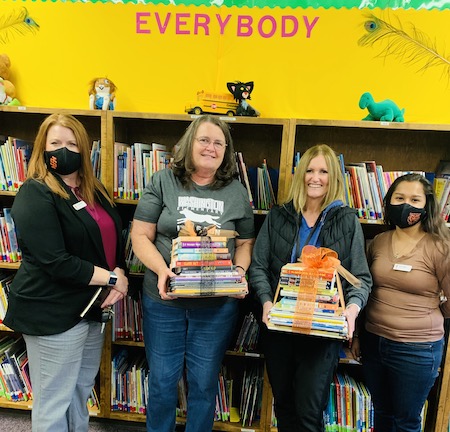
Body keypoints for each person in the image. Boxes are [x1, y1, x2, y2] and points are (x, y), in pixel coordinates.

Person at [3, 113, 129, 432]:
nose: (64, 150)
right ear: (43, 148)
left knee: (78, 392)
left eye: (72, 143)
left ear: (84, 150)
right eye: (56, 143)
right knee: (54, 401)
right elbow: (55, 260)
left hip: (88, 309)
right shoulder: (36, 192)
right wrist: (114, 279)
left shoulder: (94, 190)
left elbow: (112, 238)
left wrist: (120, 271)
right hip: (52, 312)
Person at [130, 114, 255, 432]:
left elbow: (245, 243)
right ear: (189, 143)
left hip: (216, 305)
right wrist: (161, 271)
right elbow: (140, 236)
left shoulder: (237, 192)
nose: (210, 148)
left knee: (203, 383)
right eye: (204, 140)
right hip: (164, 300)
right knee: (162, 382)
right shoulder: (163, 180)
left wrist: (239, 273)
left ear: (226, 151)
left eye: (218, 143)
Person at [249, 144, 372, 432]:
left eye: (323, 171)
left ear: (334, 178)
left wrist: (351, 312)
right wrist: (267, 303)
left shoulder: (346, 220)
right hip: (280, 329)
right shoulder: (278, 215)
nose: (315, 177)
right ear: (300, 174)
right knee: (284, 408)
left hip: (322, 334)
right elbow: (257, 267)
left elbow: (361, 279)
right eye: (309, 170)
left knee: (308, 416)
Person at [351, 173, 450, 432]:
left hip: (417, 349)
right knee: (382, 414)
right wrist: (358, 335)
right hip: (374, 341)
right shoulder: (379, 242)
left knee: (406, 421)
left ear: (426, 206)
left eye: (414, 199)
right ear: (389, 202)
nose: (406, 204)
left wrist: (425, 315)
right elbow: (365, 290)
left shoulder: (440, 247)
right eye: (400, 197)